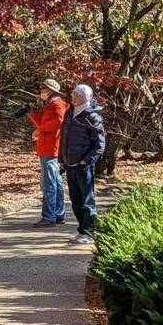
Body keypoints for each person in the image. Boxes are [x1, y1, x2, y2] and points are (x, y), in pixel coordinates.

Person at [59, 83, 106, 245]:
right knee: (75, 199)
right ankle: (81, 230)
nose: (73, 96)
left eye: (77, 94)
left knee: (87, 200)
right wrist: (61, 160)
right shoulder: (69, 113)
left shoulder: (92, 116)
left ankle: (89, 232)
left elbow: (100, 144)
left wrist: (86, 160)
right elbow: (64, 139)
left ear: (85, 97)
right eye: (73, 93)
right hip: (69, 164)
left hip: (83, 165)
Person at [28, 78, 68, 227]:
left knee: (49, 183)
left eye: (44, 89)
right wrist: (32, 115)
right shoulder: (50, 105)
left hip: (51, 149)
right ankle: (57, 214)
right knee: (55, 182)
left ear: (51, 91)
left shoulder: (57, 105)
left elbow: (59, 123)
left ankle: (49, 216)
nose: (41, 92)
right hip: (47, 148)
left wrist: (41, 129)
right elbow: (45, 124)